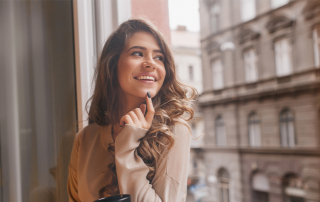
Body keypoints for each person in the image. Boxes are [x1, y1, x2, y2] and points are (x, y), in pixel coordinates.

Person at [67, 18, 197, 202]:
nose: (150, 63)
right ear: (112, 64)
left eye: (159, 57)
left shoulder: (173, 132)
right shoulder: (85, 139)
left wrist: (127, 147)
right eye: (137, 53)